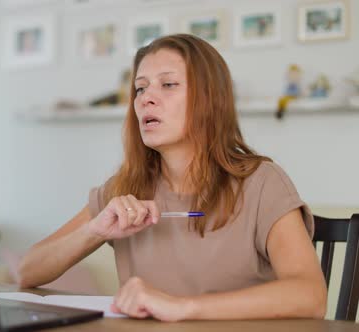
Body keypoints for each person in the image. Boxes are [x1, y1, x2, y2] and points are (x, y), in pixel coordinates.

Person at [18, 34, 326, 322]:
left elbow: (311, 296)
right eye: (140, 88)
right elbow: (27, 272)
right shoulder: (124, 188)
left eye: (168, 85)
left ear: (209, 98)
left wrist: (181, 307)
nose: (145, 99)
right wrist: (95, 231)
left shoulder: (261, 182)